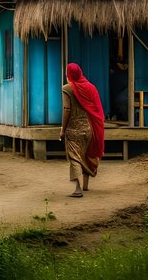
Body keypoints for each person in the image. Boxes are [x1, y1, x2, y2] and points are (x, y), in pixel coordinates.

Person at [59, 63, 105, 198]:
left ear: (69, 74)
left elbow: (67, 110)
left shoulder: (67, 89)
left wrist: (63, 129)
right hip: (90, 128)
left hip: (74, 130)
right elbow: (96, 109)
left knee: (75, 158)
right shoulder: (91, 88)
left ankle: (78, 189)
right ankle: (85, 185)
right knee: (85, 155)